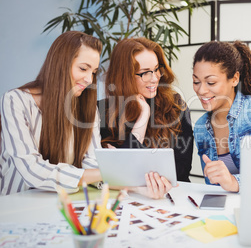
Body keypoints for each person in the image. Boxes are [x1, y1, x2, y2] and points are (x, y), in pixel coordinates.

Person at [0, 31, 103, 195]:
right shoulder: (15, 100)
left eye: (94, 72)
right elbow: (31, 169)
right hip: (19, 203)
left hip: (63, 202)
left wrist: (135, 184)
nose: (89, 79)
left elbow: (93, 162)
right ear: (61, 64)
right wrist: (104, 174)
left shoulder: (88, 107)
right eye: (83, 68)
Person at [192, 40, 251, 192]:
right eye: (196, 81)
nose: (201, 90)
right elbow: (214, 187)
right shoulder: (201, 127)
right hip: (223, 212)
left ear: (235, 79)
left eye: (211, 82)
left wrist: (235, 182)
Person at [98, 37, 193, 184]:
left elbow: (181, 170)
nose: (155, 78)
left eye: (156, 69)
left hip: (172, 195)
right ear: (124, 76)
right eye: (145, 73)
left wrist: (123, 161)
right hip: (124, 198)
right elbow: (117, 174)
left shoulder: (175, 106)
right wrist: (144, 116)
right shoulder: (103, 111)